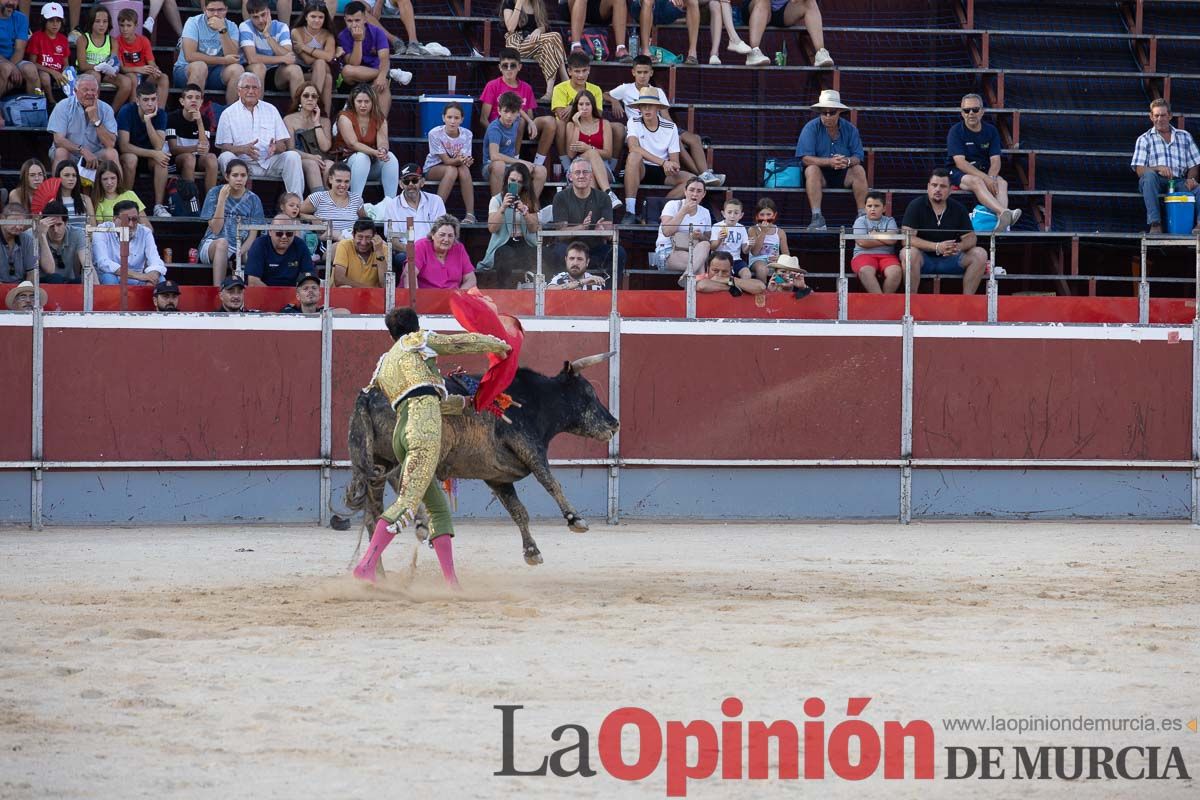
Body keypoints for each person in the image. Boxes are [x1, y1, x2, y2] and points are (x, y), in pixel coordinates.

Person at [352, 306, 512, 586]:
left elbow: (422, 397)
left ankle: (452, 583)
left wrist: (465, 404)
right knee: (408, 502)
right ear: (415, 328)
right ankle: (366, 566)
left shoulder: (385, 363)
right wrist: (498, 345)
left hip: (402, 430)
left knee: (437, 509)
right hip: (422, 428)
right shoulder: (416, 341)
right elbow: (458, 343)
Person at [606, 55, 719, 184]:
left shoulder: (657, 91)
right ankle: (700, 175)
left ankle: (706, 173)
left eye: (645, 72)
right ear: (633, 72)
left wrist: (672, 131)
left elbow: (665, 115)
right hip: (640, 128)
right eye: (639, 72)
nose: (642, 76)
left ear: (651, 73)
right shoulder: (625, 88)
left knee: (695, 139)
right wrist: (614, 100)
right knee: (678, 143)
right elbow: (605, 94)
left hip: (660, 125)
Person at [899, 168, 988, 294]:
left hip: (951, 258)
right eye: (934, 185)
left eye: (943, 186)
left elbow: (971, 238)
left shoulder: (958, 208)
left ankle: (967, 302)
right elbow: (906, 239)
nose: (938, 189)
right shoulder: (916, 205)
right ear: (928, 187)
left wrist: (958, 247)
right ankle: (910, 301)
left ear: (950, 189)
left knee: (980, 254)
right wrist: (936, 247)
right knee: (908, 253)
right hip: (924, 260)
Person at [215, 72, 304, 196]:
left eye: (255, 87)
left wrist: (276, 148)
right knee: (225, 157)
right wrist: (243, 149)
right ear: (239, 91)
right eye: (247, 87)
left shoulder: (271, 110)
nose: (251, 91)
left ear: (260, 91)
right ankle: (233, 201)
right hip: (241, 162)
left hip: (268, 161)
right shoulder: (228, 113)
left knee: (292, 157)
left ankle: (296, 203)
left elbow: (282, 146)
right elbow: (224, 147)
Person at [797, 89, 867, 231]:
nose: (827, 116)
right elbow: (805, 158)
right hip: (820, 175)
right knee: (811, 169)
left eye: (832, 112)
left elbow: (858, 156)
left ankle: (863, 218)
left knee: (859, 170)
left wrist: (846, 161)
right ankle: (817, 217)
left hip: (844, 172)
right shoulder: (810, 128)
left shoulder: (850, 129)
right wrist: (829, 162)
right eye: (824, 112)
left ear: (839, 112)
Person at [948, 93, 1018, 232]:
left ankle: (1002, 224)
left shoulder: (991, 131)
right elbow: (961, 163)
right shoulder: (955, 131)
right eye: (966, 110)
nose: (971, 113)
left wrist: (991, 178)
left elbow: (995, 161)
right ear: (962, 113)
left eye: (975, 109)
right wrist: (985, 178)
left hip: (984, 171)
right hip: (958, 172)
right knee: (977, 182)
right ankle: (1003, 213)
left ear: (982, 111)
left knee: (1001, 182)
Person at [622, 87, 692, 223]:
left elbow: (674, 160)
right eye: (643, 106)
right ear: (639, 109)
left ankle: (657, 210)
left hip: (662, 171)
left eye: (651, 106)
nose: (647, 109)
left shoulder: (671, 127)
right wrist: (663, 162)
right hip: (640, 168)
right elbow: (633, 147)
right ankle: (630, 211)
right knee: (634, 156)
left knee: (691, 181)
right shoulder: (633, 121)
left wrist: (672, 166)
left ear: (657, 108)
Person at [479, 47, 555, 169]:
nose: (509, 69)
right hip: (500, 129)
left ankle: (538, 165)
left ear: (519, 67)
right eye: (505, 66)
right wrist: (497, 134)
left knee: (550, 121)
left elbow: (530, 116)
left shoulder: (526, 87)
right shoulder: (492, 85)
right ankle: (515, 162)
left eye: (512, 65)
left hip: (521, 128)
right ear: (500, 67)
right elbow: (483, 118)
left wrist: (530, 122)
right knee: (518, 119)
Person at [1132, 98, 1200, 235]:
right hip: (1155, 180)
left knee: (1198, 189)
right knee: (1149, 176)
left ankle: (1199, 225)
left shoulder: (1184, 136)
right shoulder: (1144, 139)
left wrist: (1190, 179)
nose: (1159, 119)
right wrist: (1157, 168)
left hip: (1178, 180)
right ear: (1151, 117)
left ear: (1169, 116)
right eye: (1156, 115)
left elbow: (1194, 163)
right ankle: (1155, 224)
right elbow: (1139, 170)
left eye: (1163, 115)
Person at [552, 157, 625, 273]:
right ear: (570, 177)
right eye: (577, 172)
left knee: (618, 252)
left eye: (585, 172)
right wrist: (582, 227)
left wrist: (601, 231)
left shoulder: (603, 198)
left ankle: (608, 291)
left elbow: (609, 235)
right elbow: (561, 234)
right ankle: (560, 289)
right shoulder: (561, 198)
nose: (581, 176)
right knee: (558, 251)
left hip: (594, 248)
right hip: (569, 248)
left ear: (591, 176)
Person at [198, 157, 265, 284]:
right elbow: (216, 229)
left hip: (240, 248)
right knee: (222, 243)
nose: (239, 179)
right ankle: (219, 290)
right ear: (227, 176)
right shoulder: (214, 193)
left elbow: (252, 235)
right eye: (235, 175)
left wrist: (239, 253)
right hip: (213, 244)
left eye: (243, 175)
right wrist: (222, 199)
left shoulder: (254, 199)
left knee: (256, 254)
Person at [552, 51, 622, 165]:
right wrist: (578, 109)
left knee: (618, 127)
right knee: (559, 123)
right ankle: (565, 164)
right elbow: (562, 115)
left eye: (584, 71)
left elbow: (597, 115)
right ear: (569, 71)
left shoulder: (596, 89)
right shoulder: (559, 88)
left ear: (589, 70)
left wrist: (573, 107)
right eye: (577, 71)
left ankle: (612, 168)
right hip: (569, 125)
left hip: (589, 123)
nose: (581, 75)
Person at [172, 0, 244, 107]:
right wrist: (224, 60)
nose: (216, 14)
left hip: (214, 73)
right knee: (200, 66)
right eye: (211, 10)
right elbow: (190, 56)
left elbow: (233, 56)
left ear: (226, 10)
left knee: (238, 70)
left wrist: (222, 30)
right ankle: (193, 115)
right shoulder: (193, 22)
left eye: (220, 10)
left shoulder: (232, 26)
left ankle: (230, 115)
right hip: (186, 71)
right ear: (205, 10)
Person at [479, 161, 540, 287]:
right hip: (504, 243)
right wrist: (502, 208)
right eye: (512, 180)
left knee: (544, 254)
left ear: (524, 183)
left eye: (519, 182)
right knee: (505, 254)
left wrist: (525, 212)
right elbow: (492, 228)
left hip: (524, 242)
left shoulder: (530, 199)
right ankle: (504, 291)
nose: (515, 184)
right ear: (506, 180)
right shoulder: (496, 200)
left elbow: (534, 228)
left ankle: (540, 292)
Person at [117, 81, 172, 217]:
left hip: (148, 159)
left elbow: (159, 145)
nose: (150, 104)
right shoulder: (126, 111)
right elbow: (124, 146)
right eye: (146, 100)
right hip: (129, 155)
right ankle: (126, 202)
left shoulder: (160, 114)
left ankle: (158, 206)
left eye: (153, 99)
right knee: (131, 159)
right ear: (137, 100)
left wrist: (148, 121)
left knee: (162, 160)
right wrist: (154, 153)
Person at [335, 83, 398, 199]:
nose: (363, 105)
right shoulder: (344, 117)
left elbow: (383, 142)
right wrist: (374, 152)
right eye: (359, 101)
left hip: (371, 164)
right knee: (362, 157)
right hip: (347, 163)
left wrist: (382, 150)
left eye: (367, 102)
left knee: (391, 158)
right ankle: (355, 202)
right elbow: (352, 143)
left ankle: (391, 204)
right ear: (353, 101)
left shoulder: (379, 118)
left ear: (373, 102)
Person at [46, 72, 118, 173]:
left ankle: (119, 189)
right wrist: (82, 151)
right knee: (61, 152)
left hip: (95, 153)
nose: (90, 93)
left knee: (112, 153)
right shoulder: (63, 106)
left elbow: (110, 144)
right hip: (71, 152)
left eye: (93, 90)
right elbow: (59, 140)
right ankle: (57, 188)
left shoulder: (106, 109)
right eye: (85, 90)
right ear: (75, 91)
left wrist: (96, 120)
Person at [377, 162, 445, 266]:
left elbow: (442, 233)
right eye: (406, 181)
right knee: (406, 259)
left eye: (415, 180)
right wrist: (416, 251)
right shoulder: (392, 205)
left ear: (422, 182)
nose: (411, 184)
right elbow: (394, 241)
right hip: (406, 252)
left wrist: (428, 251)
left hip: (432, 249)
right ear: (401, 184)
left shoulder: (436, 201)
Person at [483, 90, 547, 199]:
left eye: (513, 112)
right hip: (491, 166)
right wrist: (521, 161)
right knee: (499, 165)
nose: (509, 116)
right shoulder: (495, 128)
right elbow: (494, 156)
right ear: (499, 110)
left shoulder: (516, 119)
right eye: (506, 111)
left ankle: (528, 207)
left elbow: (519, 110)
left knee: (541, 170)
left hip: (510, 165)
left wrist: (530, 122)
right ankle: (497, 207)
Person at [336, 2, 400, 110]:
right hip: (353, 78)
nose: (354, 25)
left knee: (382, 88)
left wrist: (381, 76)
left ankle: (381, 125)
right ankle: (389, 74)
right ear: (345, 20)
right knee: (347, 70)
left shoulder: (377, 32)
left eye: (357, 20)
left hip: (373, 74)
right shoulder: (343, 36)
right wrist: (358, 40)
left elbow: (384, 58)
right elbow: (354, 63)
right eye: (349, 21)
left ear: (365, 19)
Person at [500, 0, 566, 102]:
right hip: (516, 43)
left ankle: (549, 92)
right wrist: (519, 3)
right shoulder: (509, 2)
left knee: (549, 46)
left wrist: (539, 30)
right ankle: (565, 79)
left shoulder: (537, 3)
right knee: (555, 36)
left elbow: (543, 25)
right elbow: (511, 28)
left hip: (533, 42)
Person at [239, 0, 304, 101]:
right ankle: (255, 111)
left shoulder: (281, 27)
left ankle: (300, 112)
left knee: (295, 70)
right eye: (256, 17)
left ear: (269, 12)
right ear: (250, 17)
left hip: (275, 73)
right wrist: (282, 58)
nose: (261, 20)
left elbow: (289, 56)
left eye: (263, 15)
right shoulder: (245, 26)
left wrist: (267, 36)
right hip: (253, 71)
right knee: (259, 67)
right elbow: (252, 58)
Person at [565, 89, 620, 207]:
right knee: (590, 160)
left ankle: (590, 209)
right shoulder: (571, 125)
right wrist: (577, 125)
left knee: (591, 157)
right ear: (576, 106)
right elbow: (570, 154)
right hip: (578, 165)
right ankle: (608, 194)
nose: (584, 107)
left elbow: (608, 153)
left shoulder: (604, 123)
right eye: (581, 104)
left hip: (602, 166)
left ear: (593, 106)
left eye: (587, 104)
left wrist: (588, 147)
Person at [91, 199, 167, 285]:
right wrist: (139, 276)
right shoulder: (102, 230)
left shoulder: (145, 232)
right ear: (114, 219)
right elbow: (103, 262)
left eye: (135, 219)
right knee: (109, 278)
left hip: (138, 280)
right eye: (126, 219)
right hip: (114, 276)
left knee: (160, 279)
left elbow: (155, 260)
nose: (131, 224)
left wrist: (153, 275)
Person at [75, 6, 133, 116]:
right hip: (87, 73)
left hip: (105, 73)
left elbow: (114, 62)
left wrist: (113, 69)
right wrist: (98, 67)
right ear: (91, 22)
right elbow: (82, 65)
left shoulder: (112, 41)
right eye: (97, 21)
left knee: (126, 82)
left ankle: (110, 113)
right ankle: (93, 110)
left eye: (105, 21)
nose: (101, 25)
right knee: (95, 76)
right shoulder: (83, 39)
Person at [423, 102, 475, 223]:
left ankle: (470, 214)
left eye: (456, 118)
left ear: (462, 119)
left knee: (464, 169)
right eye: (449, 117)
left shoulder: (467, 134)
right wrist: (461, 160)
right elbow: (446, 160)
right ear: (443, 118)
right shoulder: (434, 133)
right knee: (451, 170)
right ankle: (438, 214)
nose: (452, 121)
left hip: (456, 166)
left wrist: (467, 161)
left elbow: (463, 158)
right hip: (433, 167)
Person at [742, 0, 831, 68]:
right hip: (756, 8)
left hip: (783, 11)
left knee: (810, 2)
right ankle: (754, 52)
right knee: (763, 1)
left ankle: (821, 53)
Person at [166, 82, 220, 194]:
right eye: (190, 97)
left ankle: (210, 202)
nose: (194, 100)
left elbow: (205, 148)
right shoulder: (172, 118)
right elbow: (173, 149)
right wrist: (195, 148)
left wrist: (199, 122)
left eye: (197, 98)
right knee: (189, 158)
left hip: (198, 159)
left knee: (212, 158)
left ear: (201, 102)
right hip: (177, 161)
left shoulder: (204, 120)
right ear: (182, 101)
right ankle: (191, 201)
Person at [656, 176, 710, 274]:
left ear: (704, 194)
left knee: (705, 245)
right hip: (669, 251)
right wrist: (683, 211)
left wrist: (700, 236)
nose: (695, 194)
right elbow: (666, 232)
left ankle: (687, 278)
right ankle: (691, 284)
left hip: (694, 251)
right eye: (692, 190)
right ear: (685, 191)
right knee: (699, 264)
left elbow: (708, 240)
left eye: (699, 191)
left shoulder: (705, 212)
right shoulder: (672, 205)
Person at [285, 81, 333, 192]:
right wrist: (311, 157)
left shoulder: (325, 121)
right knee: (312, 164)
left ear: (318, 100)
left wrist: (316, 123)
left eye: (314, 96)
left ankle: (330, 203)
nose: (310, 99)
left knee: (330, 165)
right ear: (299, 99)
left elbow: (325, 147)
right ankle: (319, 203)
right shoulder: (289, 119)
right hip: (300, 158)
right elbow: (290, 149)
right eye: (306, 95)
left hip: (321, 158)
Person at [243, 212, 316, 286]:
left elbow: (309, 277)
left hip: (291, 294)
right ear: (270, 232)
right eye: (279, 233)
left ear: (294, 233)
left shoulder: (300, 245)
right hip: (263, 295)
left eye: (289, 233)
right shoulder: (260, 244)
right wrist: (275, 296)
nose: (284, 236)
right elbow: (253, 281)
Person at [850, 190, 901, 293]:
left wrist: (874, 235)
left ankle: (885, 303)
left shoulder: (890, 220)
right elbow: (862, 242)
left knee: (896, 272)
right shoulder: (860, 221)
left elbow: (893, 239)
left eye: (876, 206)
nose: (872, 209)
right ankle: (880, 302)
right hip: (863, 255)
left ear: (884, 208)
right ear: (865, 208)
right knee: (865, 271)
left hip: (887, 256)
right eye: (869, 206)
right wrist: (885, 240)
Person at [300, 161, 364, 242]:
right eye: (339, 181)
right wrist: (312, 218)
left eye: (346, 181)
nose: (343, 185)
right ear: (330, 179)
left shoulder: (357, 199)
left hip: (352, 243)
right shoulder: (318, 197)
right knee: (334, 234)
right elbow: (297, 213)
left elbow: (365, 221)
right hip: (328, 244)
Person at [115, 8, 167, 106]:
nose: (125, 29)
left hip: (143, 76)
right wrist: (139, 69)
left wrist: (155, 70)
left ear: (136, 26)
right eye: (122, 25)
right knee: (132, 76)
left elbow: (152, 63)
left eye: (128, 25)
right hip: (128, 75)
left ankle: (159, 113)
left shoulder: (143, 40)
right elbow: (122, 68)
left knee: (163, 78)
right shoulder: (116, 42)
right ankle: (134, 111)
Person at [290, 1, 334, 115]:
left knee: (322, 66)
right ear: (306, 17)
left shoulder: (328, 35)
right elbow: (307, 60)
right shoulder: (296, 31)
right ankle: (315, 105)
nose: (317, 20)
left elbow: (329, 57)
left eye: (320, 17)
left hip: (319, 71)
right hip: (300, 70)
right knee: (322, 67)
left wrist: (305, 47)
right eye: (313, 16)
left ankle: (325, 117)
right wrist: (321, 54)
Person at [412, 214, 477, 289]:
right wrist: (416, 298)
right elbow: (409, 274)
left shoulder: (459, 248)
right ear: (433, 234)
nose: (446, 239)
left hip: (453, 297)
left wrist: (459, 294)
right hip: (425, 296)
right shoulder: (421, 246)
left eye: (450, 236)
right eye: (442, 235)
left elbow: (471, 279)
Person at [24, 199, 82, 282]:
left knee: (81, 281)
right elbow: (50, 270)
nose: (55, 230)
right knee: (55, 278)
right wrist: (42, 235)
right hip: (44, 283)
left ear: (66, 223)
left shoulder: (77, 233)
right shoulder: (30, 235)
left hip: (68, 282)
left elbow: (87, 264)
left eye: (59, 224)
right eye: (51, 226)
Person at [25, 2, 69, 106]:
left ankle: (67, 102)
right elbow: (32, 63)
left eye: (58, 21)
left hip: (59, 72)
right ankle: (51, 102)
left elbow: (66, 63)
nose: (55, 24)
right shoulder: (37, 37)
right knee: (45, 77)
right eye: (51, 20)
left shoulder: (63, 39)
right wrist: (53, 72)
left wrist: (65, 72)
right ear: (44, 21)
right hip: (43, 70)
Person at [632, 0, 699, 65]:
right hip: (640, 6)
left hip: (667, 6)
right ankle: (645, 51)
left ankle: (692, 53)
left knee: (693, 1)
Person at [30, 161, 95, 225]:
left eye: (74, 175)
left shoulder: (85, 199)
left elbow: (93, 225)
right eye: (67, 175)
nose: (71, 178)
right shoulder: (50, 200)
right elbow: (39, 225)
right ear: (58, 177)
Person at [333, 217, 388, 287]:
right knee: (346, 287)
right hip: (348, 294)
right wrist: (368, 290)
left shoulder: (382, 249)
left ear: (375, 236)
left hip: (373, 296)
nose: (363, 243)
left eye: (368, 237)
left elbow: (385, 284)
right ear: (353, 235)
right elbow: (339, 279)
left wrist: (379, 252)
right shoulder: (344, 245)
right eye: (360, 237)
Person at [746, 196, 788, 283]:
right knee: (762, 269)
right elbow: (754, 252)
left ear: (774, 215)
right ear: (757, 216)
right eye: (762, 215)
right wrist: (763, 233)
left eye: (769, 214)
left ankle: (779, 291)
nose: (765, 218)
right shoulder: (753, 230)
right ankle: (763, 292)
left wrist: (779, 258)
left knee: (786, 269)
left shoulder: (780, 232)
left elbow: (786, 254)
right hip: (757, 260)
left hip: (775, 261)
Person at [90, 159, 146, 224]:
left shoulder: (130, 194)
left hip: (134, 233)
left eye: (113, 178)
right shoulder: (97, 201)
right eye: (105, 179)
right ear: (99, 181)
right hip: (110, 233)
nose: (109, 182)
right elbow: (100, 230)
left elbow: (146, 225)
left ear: (118, 178)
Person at [0, 0, 37, 97]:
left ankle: (32, 108)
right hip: (2, 60)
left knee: (30, 69)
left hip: (13, 60)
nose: (11, 3)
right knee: (6, 68)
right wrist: (11, 67)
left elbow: (19, 49)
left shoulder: (21, 18)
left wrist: (12, 66)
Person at [709, 196, 749, 274]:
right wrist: (719, 239)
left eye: (736, 213)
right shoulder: (717, 226)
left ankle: (739, 285)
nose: (732, 215)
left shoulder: (741, 228)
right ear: (723, 214)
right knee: (727, 274)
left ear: (741, 215)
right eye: (729, 212)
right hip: (720, 259)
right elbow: (712, 247)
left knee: (747, 274)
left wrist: (750, 245)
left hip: (736, 259)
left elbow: (745, 251)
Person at [695, 250, 764, 294]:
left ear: (731, 269)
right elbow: (702, 286)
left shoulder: (731, 280)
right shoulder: (699, 278)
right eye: (715, 270)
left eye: (724, 271)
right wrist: (731, 288)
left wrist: (729, 280)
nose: (720, 274)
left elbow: (761, 287)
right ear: (708, 269)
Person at [0, 203, 36, 284]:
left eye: (21, 223)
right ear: (2, 219)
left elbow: (31, 272)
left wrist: (24, 290)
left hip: (21, 288)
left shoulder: (27, 240)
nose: (18, 227)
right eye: (14, 222)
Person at [706, 0, 750, 64]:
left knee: (715, 4)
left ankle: (714, 53)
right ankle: (734, 39)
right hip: (700, 8)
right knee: (721, 2)